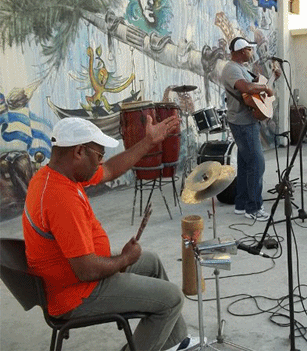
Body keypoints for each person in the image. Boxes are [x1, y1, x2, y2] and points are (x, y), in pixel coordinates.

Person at [22, 116, 200, 351]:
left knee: (152, 262)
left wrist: (148, 142)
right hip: (77, 294)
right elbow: (86, 270)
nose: (100, 162)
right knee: (172, 299)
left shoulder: (56, 174)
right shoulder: (60, 198)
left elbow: (109, 170)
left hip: (74, 279)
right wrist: (124, 259)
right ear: (79, 152)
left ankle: (174, 342)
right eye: (98, 155)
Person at [221, 36, 279, 222]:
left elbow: (259, 92)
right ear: (240, 51)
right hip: (242, 121)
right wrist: (264, 87)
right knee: (257, 163)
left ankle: (241, 203)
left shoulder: (242, 69)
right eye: (249, 49)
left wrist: (272, 80)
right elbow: (246, 87)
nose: (251, 52)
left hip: (247, 119)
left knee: (246, 163)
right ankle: (254, 208)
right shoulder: (231, 69)